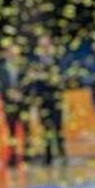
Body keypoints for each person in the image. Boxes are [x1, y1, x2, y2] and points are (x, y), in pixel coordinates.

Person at [25, 33, 66, 166]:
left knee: (58, 126)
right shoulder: (34, 60)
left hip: (56, 99)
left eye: (46, 45)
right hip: (42, 99)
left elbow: (61, 77)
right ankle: (48, 156)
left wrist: (46, 76)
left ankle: (62, 153)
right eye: (42, 45)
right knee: (45, 127)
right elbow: (31, 79)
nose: (45, 48)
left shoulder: (57, 59)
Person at [0, 42, 27, 166]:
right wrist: (7, 93)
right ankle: (12, 157)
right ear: (5, 53)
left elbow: (29, 83)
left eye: (14, 51)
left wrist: (21, 94)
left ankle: (25, 156)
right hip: (7, 104)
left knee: (25, 129)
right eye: (9, 51)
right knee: (10, 130)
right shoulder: (0, 68)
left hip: (23, 103)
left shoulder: (24, 66)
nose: (12, 53)